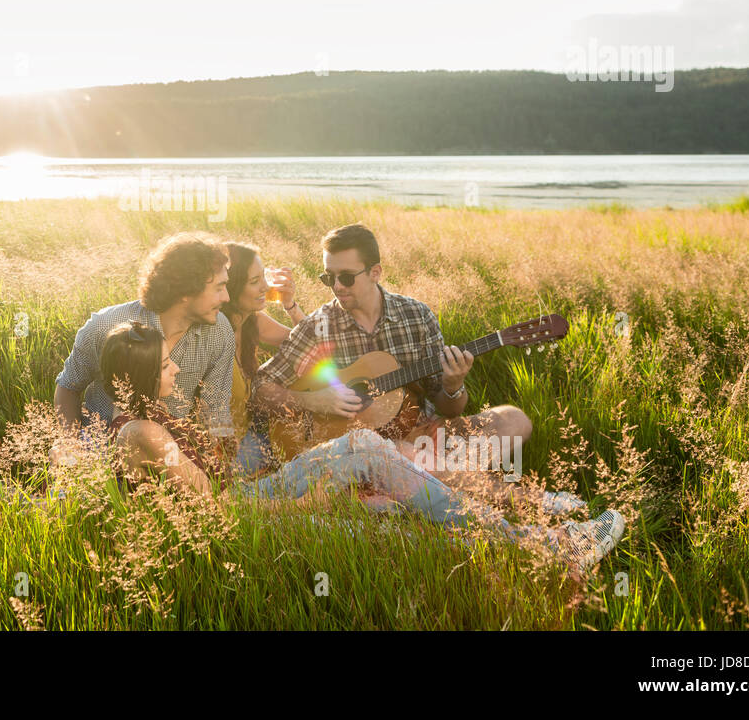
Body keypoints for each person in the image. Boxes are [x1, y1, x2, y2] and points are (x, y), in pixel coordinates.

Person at [91, 320, 625, 577]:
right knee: (372, 467)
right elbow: (214, 517)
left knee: (373, 463)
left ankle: (536, 542)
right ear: (138, 373)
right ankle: (543, 547)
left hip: (251, 501)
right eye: (164, 364)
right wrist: (302, 502)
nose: (176, 368)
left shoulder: (150, 419)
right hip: (246, 519)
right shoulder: (144, 433)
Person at [253, 223, 537, 504]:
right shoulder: (318, 325)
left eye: (347, 277)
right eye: (329, 277)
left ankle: (426, 483)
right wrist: (316, 401)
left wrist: (453, 385)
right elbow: (261, 388)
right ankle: (523, 500)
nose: (337, 286)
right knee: (401, 453)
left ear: (375, 272)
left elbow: (449, 408)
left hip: (423, 432)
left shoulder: (416, 315)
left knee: (514, 419)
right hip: (368, 449)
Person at [53, 231, 237, 465]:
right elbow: (68, 387)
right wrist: (72, 447)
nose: (227, 297)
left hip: (167, 460)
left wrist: (224, 471)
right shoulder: (107, 326)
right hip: (101, 457)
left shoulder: (220, 331)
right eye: (219, 288)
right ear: (186, 292)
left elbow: (216, 410)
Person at [220, 242, 306, 475]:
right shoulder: (214, 334)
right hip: (232, 453)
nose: (265, 287)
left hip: (258, 432)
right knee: (316, 462)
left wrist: (290, 304)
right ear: (232, 287)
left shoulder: (252, 320)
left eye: (263, 278)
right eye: (254, 281)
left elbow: (308, 344)